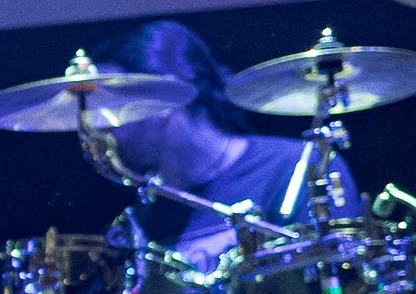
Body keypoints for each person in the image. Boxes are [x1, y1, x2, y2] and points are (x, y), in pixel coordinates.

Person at [93, 20, 361, 267]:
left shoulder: (299, 168)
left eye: (111, 106)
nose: (99, 124)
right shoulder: (144, 220)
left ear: (164, 101)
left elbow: (342, 275)